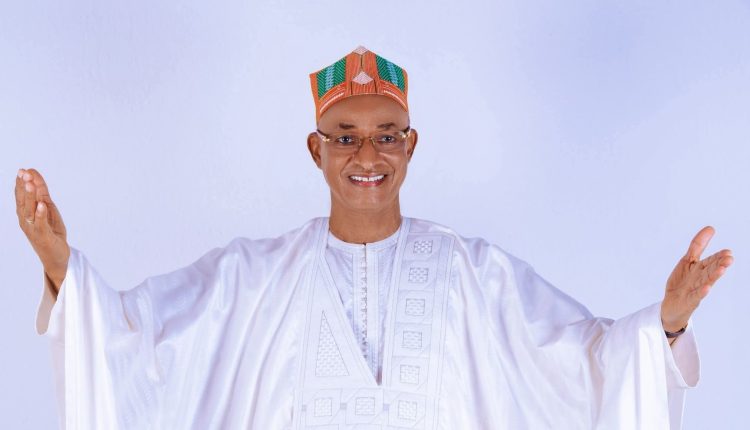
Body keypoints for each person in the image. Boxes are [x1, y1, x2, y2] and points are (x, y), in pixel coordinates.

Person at [17, 46, 734, 429]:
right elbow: (135, 344)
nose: (367, 156)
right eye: (346, 137)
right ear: (316, 149)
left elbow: (586, 365)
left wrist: (665, 326)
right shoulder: (251, 278)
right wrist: (62, 269)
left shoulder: (473, 272)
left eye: (387, 135)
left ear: (410, 146)